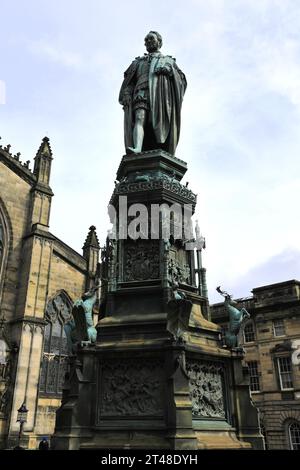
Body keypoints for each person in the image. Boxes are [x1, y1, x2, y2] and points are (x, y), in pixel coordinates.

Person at [119, 31, 187, 155]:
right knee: (139, 117)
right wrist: (127, 93)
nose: (148, 42)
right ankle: (138, 148)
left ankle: (160, 148)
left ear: (159, 42)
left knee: (156, 123)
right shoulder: (137, 62)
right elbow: (129, 82)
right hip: (141, 91)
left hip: (160, 97)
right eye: (146, 40)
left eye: (151, 39)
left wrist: (170, 71)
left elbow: (182, 79)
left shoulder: (168, 60)